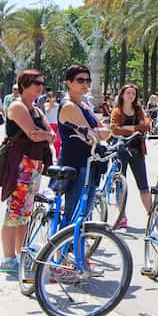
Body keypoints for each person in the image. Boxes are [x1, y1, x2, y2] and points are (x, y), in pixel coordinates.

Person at [0, 70, 54, 274]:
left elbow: (50, 135)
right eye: (35, 83)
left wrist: (45, 135)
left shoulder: (36, 109)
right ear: (24, 85)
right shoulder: (17, 106)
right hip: (21, 164)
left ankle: (21, 254)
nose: (40, 87)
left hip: (34, 164)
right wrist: (45, 135)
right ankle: (8, 258)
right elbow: (33, 134)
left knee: (25, 214)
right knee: (14, 212)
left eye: (41, 83)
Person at [57, 65, 111, 224]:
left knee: (84, 213)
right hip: (76, 164)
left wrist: (100, 132)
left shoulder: (83, 104)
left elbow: (103, 131)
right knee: (73, 212)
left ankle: (75, 246)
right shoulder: (69, 106)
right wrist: (100, 132)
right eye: (80, 80)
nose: (85, 84)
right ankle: (62, 247)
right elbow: (92, 136)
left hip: (89, 162)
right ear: (68, 82)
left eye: (88, 80)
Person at [110, 83, 152, 230]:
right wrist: (135, 129)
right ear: (122, 95)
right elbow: (114, 129)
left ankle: (151, 215)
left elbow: (146, 125)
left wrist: (129, 128)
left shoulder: (138, 110)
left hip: (137, 150)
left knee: (144, 185)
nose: (130, 96)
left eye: (133, 94)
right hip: (120, 151)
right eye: (128, 93)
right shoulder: (116, 111)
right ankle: (122, 216)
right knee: (120, 184)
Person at [44, 90, 62, 157]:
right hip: (48, 126)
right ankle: (46, 157)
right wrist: (51, 104)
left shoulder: (58, 106)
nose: (51, 98)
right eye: (49, 97)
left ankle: (57, 157)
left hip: (56, 125)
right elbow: (47, 111)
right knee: (46, 142)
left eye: (52, 96)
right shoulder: (45, 105)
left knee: (57, 142)